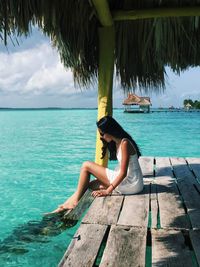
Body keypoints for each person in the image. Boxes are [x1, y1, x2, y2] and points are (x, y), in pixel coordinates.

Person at [48, 116, 143, 214]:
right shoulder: (119, 142)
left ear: (109, 131)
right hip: (133, 183)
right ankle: (62, 209)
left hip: (131, 183)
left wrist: (108, 191)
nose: (101, 137)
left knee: (86, 165)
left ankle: (74, 202)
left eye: (102, 134)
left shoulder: (125, 143)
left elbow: (123, 173)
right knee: (91, 185)